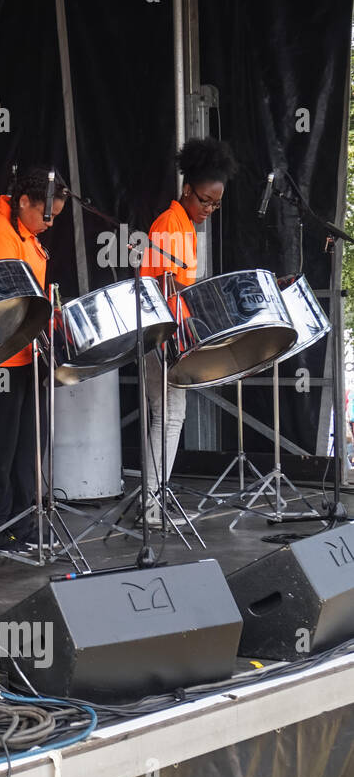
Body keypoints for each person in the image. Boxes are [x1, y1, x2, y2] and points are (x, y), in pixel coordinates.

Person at [0, 166, 66, 553]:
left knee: (27, 446)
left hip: (24, 355)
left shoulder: (25, 232)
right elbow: (2, 307)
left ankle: (24, 523)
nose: (49, 224)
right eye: (46, 215)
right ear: (24, 202)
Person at [139, 137, 237, 525]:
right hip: (158, 332)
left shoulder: (185, 225)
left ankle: (153, 500)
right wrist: (210, 300)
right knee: (167, 417)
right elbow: (163, 285)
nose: (210, 210)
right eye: (205, 201)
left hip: (170, 332)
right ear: (186, 190)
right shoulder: (169, 223)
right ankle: (149, 504)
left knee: (170, 416)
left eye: (217, 203)